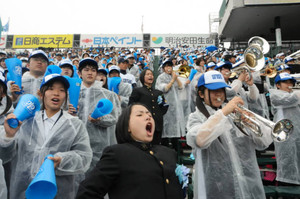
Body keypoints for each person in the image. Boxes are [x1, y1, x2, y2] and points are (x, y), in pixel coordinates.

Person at [0, 73, 92, 199]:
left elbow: (84, 157)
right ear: (41, 94)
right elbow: (5, 157)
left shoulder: (74, 125)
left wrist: (62, 160)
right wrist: (8, 136)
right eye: (51, 89)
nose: (56, 93)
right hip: (22, 190)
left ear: (65, 96)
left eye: (61, 90)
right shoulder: (26, 121)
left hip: (58, 192)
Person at [186, 70, 273, 199]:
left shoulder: (236, 113)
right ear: (201, 94)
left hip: (247, 186)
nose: (219, 95)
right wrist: (224, 112)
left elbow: (264, 143)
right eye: (214, 91)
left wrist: (251, 123)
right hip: (217, 189)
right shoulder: (196, 117)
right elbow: (199, 140)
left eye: (221, 91)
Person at [76, 104, 184, 199]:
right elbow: (87, 193)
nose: (148, 117)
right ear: (127, 126)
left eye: (150, 115)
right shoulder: (117, 153)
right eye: (140, 115)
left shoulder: (168, 152)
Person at [74, 58, 121, 173]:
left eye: (93, 70)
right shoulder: (73, 93)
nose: (90, 73)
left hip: (99, 145)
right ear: (79, 73)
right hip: (76, 142)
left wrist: (100, 119)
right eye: (86, 70)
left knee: (97, 175)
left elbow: (115, 117)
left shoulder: (108, 95)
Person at [270, 72, 300, 185]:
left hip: (297, 133)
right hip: (284, 135)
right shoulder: (274, 95)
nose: (289, 85)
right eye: (285, 82)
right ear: (278, 85)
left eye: (291, 82)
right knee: (287, 162)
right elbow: (290, 99)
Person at [129, 69, 168, 144]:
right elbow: (131, 106)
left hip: (157, 124)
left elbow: (164, 106)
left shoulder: (158, 92)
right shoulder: (137, 91)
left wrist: (158, 115)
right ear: (143, 77)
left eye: (152, 74)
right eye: (148, 74)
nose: (151, 76)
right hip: (143, 123)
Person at [155, 60, 185, 148]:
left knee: (176, 131)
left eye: (170, 66)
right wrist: (172, 80)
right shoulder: (161, 77)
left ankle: (176, 151)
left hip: (176, 107)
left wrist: (176, 78)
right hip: (166, 106)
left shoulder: (174, 76)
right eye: (167, 66)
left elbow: (181, 87)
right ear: (163, 68)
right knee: (166, 129)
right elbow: (164, 89)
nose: (169, 68)